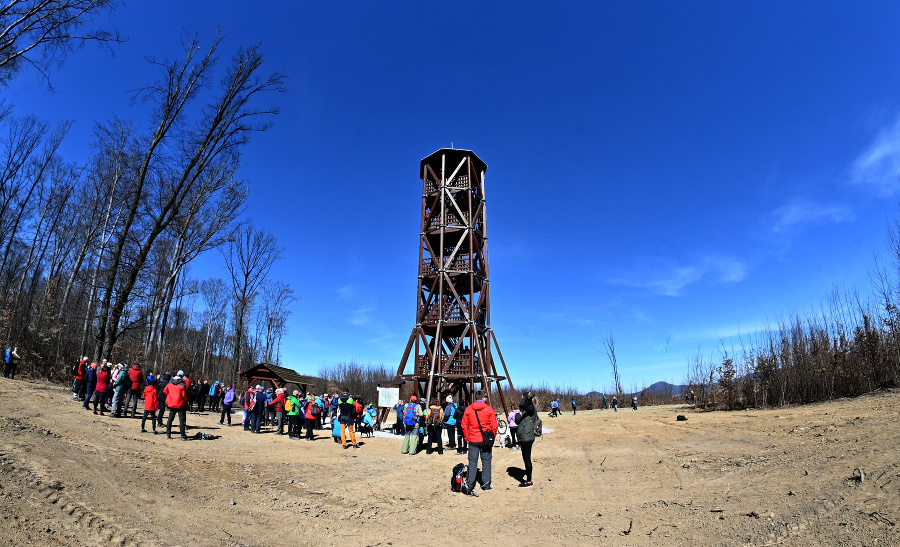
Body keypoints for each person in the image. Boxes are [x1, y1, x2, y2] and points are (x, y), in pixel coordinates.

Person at [461, 390, 497, 496]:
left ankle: (470, 484)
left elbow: (464, 425)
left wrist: (467, 436)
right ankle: (486, 484)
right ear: (484, 398)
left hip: (473, 439)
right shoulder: (489, 409)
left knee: (472, 462)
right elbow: (494, 425)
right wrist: (492, 437)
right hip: (485, 441)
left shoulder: (469, 409)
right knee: (486, 461)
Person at [516, 391, 537, 488]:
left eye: (523, 397)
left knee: (527, 458)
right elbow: (520, 406)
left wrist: (525, 396)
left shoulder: (531, 409)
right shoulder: (527, 410)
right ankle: (529, 480)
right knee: (526, 458)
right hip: (525, 437)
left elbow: (520, 404)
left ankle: (529, 481)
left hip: (527, 438)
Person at [164, 374, 188, 440]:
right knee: (182, 420)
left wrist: (170, 396)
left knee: (170, 419)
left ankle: (168, 434)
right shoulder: (182, 385)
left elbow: (165, 391)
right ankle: (182, 435)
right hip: (180, 404)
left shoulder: (169, 385)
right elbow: (184, 396)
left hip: (172, 404)